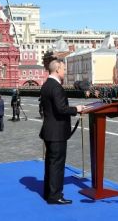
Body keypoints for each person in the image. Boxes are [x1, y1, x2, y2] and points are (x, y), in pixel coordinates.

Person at [39, 58, 84, 205]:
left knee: (51, 164)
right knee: (57, 165)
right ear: (57, 69)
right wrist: (76, 109)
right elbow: (61, 109)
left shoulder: (46, 85)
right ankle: (55, 196)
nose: (65, 72)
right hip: (56, 132)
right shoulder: (56, 87)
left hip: (49, 131)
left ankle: (49, 192)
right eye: (64, 69)